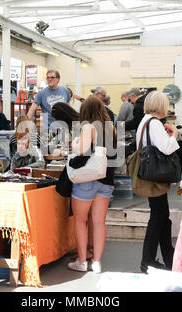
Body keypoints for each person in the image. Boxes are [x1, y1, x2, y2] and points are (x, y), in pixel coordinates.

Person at [67, 95, 117, 274]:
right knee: (99, 222)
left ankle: (82, 261)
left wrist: (74, 143)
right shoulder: (110, 127)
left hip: (87, 180)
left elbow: (81, 150)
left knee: (81, 221)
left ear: (85, 111)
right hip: (106, 180)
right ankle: (97, 262)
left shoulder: (88, 126)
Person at [136, 91, 179, 274]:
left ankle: (168, 258)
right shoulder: (154, 123)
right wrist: (174, 134)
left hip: (150, 175)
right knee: (158, 217)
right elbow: (167, 148)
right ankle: (148, 261)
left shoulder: (145, 122)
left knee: (162, 216)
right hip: (156, 176)